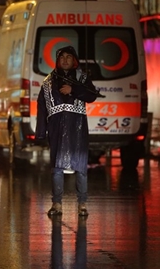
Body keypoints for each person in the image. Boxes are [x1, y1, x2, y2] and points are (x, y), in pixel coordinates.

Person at [36, 46, 97, 217]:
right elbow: (42, 108)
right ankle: (57, 204)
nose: (65, 60)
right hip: (56, 128)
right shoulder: (48, 82)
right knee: (57, 167)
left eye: (69, 57)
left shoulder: (82, 78)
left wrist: (74, 90)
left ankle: (82, 204)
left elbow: (92, 95)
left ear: (74, 60)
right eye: (61, 57)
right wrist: (41, 132)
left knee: (80, 166)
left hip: (77, 127)